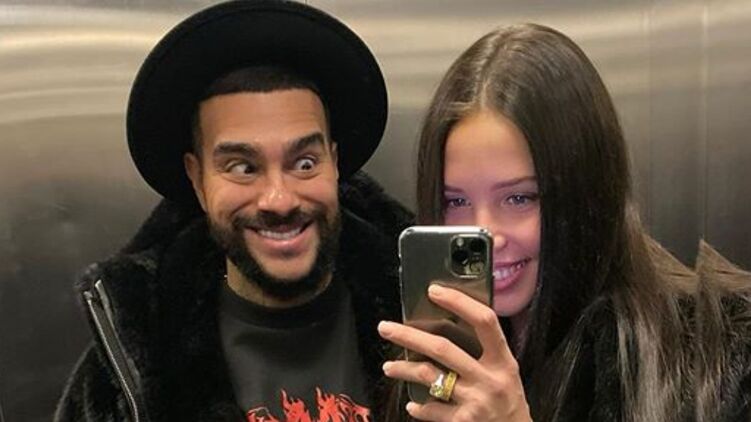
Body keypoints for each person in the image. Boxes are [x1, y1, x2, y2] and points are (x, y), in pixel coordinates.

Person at [54, 1, 412, 421]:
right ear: (197, 180)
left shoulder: (430, 317)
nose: (279, 199)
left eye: (304, 163)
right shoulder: (129, 363)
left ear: (333, 163)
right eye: (243, 168)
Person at [377, 23, 708, 421]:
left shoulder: (706, 363)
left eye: (519, 198)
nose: (486, 235)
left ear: (587, 193)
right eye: (456, 201)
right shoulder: (439, 352)